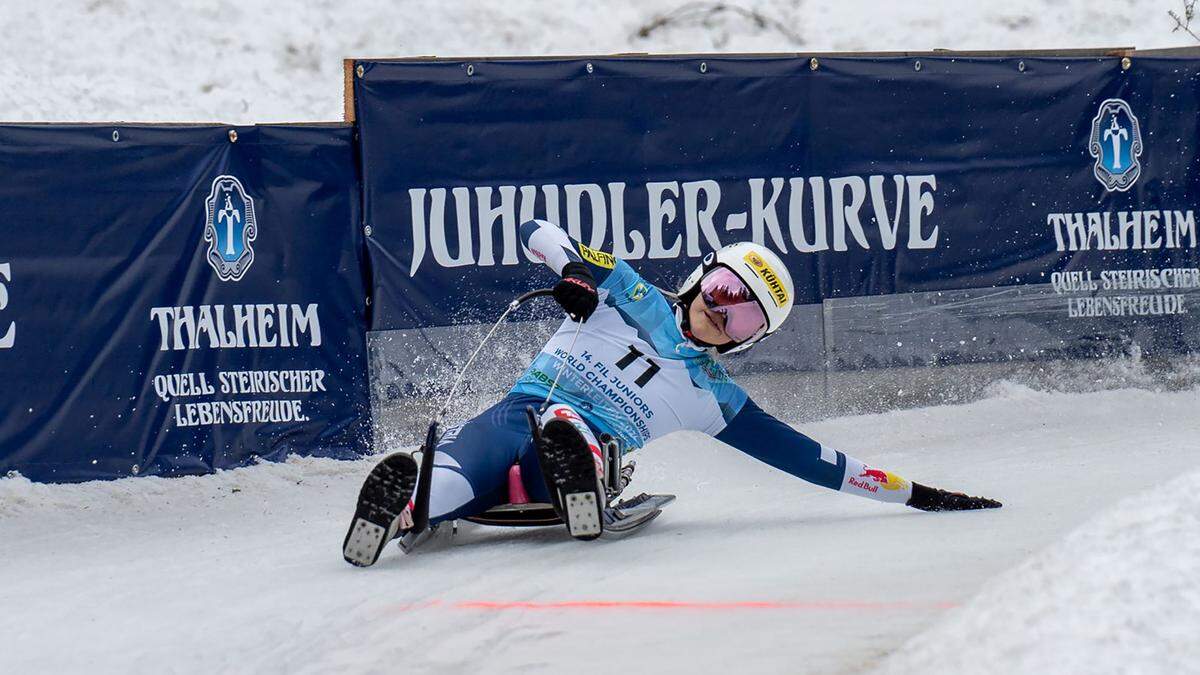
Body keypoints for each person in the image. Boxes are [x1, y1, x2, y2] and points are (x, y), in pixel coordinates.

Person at [343, 219, 1000, 566]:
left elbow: (814, 460)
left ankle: (581, 472)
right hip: (518, 408)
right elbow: (540, 233)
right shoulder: (626, 289)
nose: (722, 313)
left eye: (742, 317)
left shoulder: (712, 396)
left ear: (748, 340)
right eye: (722, 293)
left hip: (583, 433)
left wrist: (914, 493)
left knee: (563, 436)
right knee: (468, 464)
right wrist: (574, 273)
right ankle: (405, 502)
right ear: (698, 278)